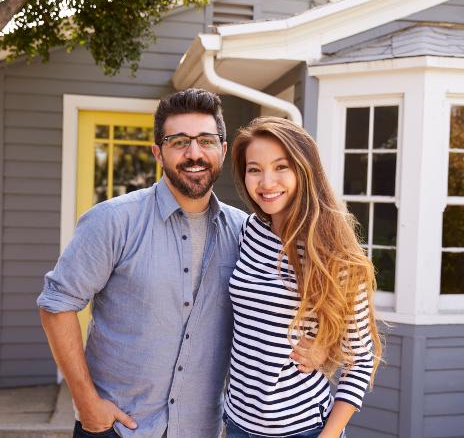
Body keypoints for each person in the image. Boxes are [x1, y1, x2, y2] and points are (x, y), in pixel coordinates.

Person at [36, 89, 320, 438]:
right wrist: (85, 402)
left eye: (205, 140)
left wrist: (323, 347)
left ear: (223, 149)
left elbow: (297, 305)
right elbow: (56, 305)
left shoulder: (247, 233)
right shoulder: (112, 221)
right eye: (179, 142)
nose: (195, 153)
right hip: (117, 428)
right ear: (158, 152)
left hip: (202, 429)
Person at [224, 117, 382, 438]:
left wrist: (328, 435)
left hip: (301, 429)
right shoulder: (250, 231)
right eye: (254, 169)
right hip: (237, 422)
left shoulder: (334, 254)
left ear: (304, 169)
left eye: (280, 167)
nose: (266, 182)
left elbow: (360, 358)